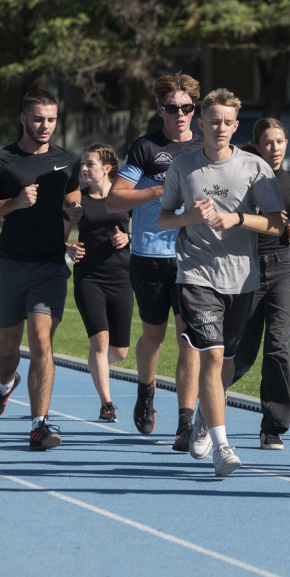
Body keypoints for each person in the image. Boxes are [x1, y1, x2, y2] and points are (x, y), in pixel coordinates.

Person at [158, 88, 285, 477]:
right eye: (213, 121)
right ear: (201, 123)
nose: (221, 128)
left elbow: (278, 224)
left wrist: (238, 219)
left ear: (236, 125)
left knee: (226, 363)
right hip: (195, 275)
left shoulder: (254, 168)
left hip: (242, 279)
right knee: (211, 357)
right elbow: (164, 219)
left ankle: (204, 415)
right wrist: (189, 217)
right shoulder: (183, 166)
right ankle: (222, 445)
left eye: (228, 122)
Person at [0, 89, 83, 451]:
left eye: (51, 119)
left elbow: (71, 207)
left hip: (49, 266)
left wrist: (69, 229)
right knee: (7, 348)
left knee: (41, 340)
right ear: (23, 118)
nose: (45, 125)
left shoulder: (68, 161)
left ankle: (39, 424)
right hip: (10, 265)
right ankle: (6, 383)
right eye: (38, 119)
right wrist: (15, 202)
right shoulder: (1, 159)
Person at [106, 73, 202, 451]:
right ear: (159, 109)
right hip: (149, 254)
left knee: (189, 340)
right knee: (153, 336)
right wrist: (158, 190)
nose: (180, 114)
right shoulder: (147, 148)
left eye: (187, 107)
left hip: (193, 257)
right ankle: (146, 390)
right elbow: (115, 198)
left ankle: (184, 421)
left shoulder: (205, 145)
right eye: (171, 107)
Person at [228, 118, 290, 450]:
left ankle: (273, 426)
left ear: (286, 143)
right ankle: (208, 401)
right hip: (245, 271)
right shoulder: (240, 177)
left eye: (280, 141)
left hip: (282, 270)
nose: (274, 148)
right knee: (242, 354)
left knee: (278, 344)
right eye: (268, 143)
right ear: (257, 146)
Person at [66, 143, 134, 423]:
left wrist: (128, 238)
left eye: (90, 164)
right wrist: (67, 248)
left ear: (107, 168)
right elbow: (61, 235)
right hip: (89, 277)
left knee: (119, 351)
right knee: (100, 343)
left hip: (122, 278)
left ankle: (97, 366)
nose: (83, 168)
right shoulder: (77, 202)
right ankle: (107, 404)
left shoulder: (126, 198)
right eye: (82, 163)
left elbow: (142, 230)